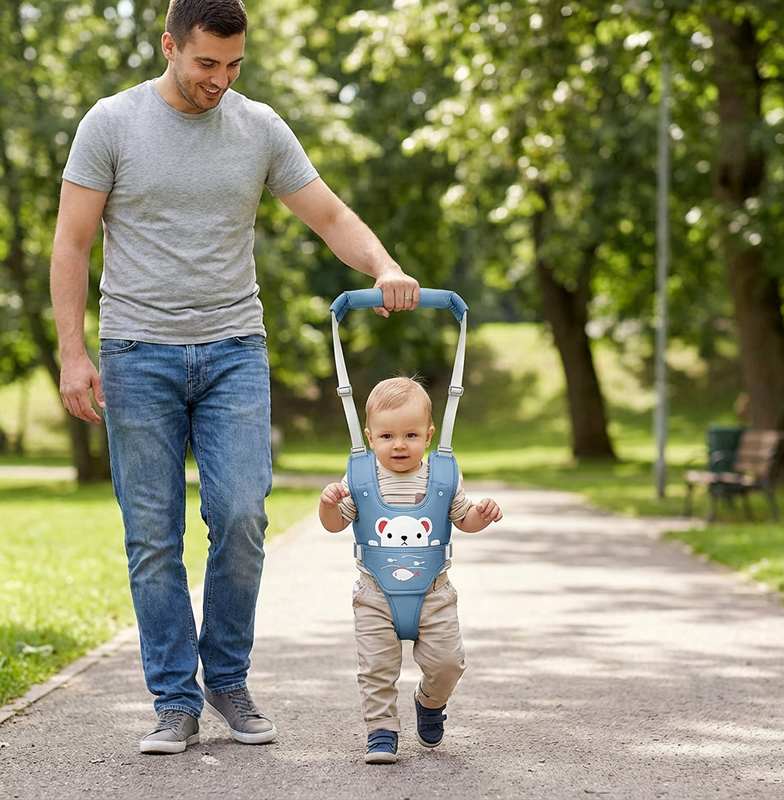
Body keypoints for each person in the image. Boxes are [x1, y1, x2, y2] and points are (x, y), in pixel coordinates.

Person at [50, 0, 419, 755]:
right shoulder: (111, 124)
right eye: (205, 63)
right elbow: (73, 241)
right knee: (152, 536)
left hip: (232, 350)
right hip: (135, 351)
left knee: (242, 515)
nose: (220, 79)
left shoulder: (259, 127)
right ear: (170, 46)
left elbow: (328, 214)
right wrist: (71, 351)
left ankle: (227, 679)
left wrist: (383, 264)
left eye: (233, 65)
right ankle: (173, 701)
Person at [318, 376, 502, 764]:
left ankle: (430, 701)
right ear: (370, 437)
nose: (399, 444)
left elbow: (462, 519)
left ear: (429, 436)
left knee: (449, 663)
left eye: (411, 435)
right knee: (376, 668)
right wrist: (329, 504)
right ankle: (381, 731)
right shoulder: (361, 476)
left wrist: (480, 517)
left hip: (433, 592)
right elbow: (335, 525)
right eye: (387, 436)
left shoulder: (444, 474)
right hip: (375, 595)